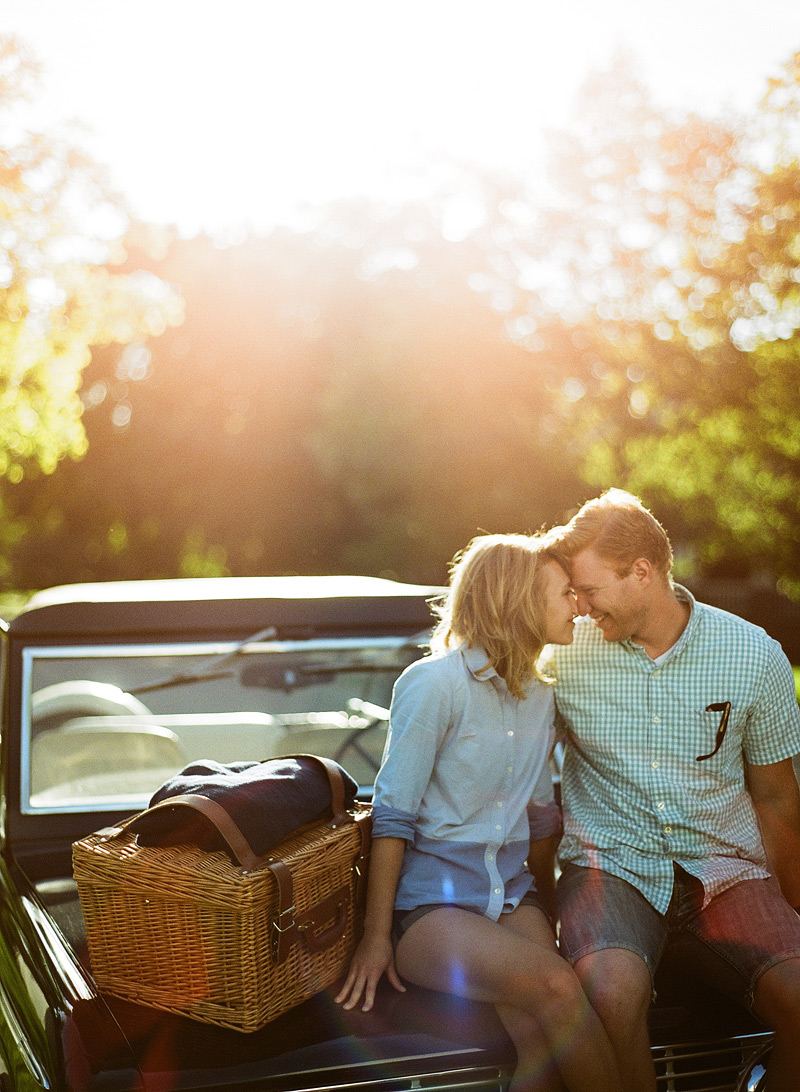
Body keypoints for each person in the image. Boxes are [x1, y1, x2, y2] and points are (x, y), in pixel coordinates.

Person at [336, 533, 622, 1092]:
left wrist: (549, 914)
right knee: (558, 989)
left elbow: (538, 818)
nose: (578, 605)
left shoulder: (541, 694)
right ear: (520, 600)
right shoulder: (433, 683)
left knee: (539, 1035)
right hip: (431, 910)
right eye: (565, 593)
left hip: (511, 894)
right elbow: (391, 817)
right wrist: (375, 936)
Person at [547, 488, 800, 1092]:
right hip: (611, 867)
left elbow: (776, 796)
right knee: (609, 997)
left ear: (642, 571)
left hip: (728, 871)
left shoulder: (752, 654)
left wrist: (795, 907)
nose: (579, 606)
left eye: (589, 589)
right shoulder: (562, 652)